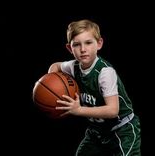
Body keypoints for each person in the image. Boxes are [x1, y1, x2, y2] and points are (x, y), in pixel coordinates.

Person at [48, 19, 141, 156]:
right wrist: (52, 85)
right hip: (97, 131)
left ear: (99, 44)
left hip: (122, 130)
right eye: (77, 45)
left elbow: (113, 110)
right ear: (69, 48)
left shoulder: (104, 72)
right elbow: (55, 66)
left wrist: (79, 110)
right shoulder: (73, 67)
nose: (83, 49)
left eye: (88, 43)